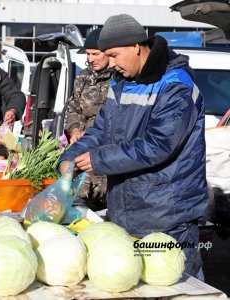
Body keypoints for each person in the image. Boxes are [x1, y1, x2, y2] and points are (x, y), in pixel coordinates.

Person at [58, 14, 208, 279]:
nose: (111, 65)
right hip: (127, 211)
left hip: (167, 218)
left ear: (136, 46)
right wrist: (71, 156)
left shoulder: (176, 85)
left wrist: (99, 159)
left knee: (177, 287)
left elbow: (159, 144)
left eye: (114, 56)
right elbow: (101, 130)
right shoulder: (122, 82)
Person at [64, 28, 112, 211]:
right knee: (82, 208)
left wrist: (90, 131)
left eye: (96, 54)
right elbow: (73, 107)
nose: (91, 59)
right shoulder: (83, 77)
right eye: (89, 54)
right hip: (82, 155)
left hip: (105, 157)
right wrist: (75, 129)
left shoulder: (119, 78)